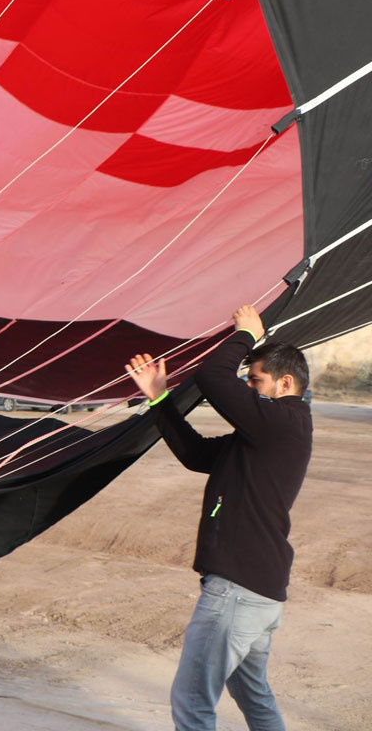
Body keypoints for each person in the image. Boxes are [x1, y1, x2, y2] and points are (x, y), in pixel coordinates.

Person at [126, 305, 311, 731]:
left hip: (238, 591)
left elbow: (212, 378)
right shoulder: (269, 432)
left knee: (192, 702)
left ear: (285, 383)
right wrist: (159, 398)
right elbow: (196, 455)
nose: (247, 388)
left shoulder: (280, 422)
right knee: (253, 694)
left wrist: (246, 333)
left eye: (254, 380)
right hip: (258, 591)